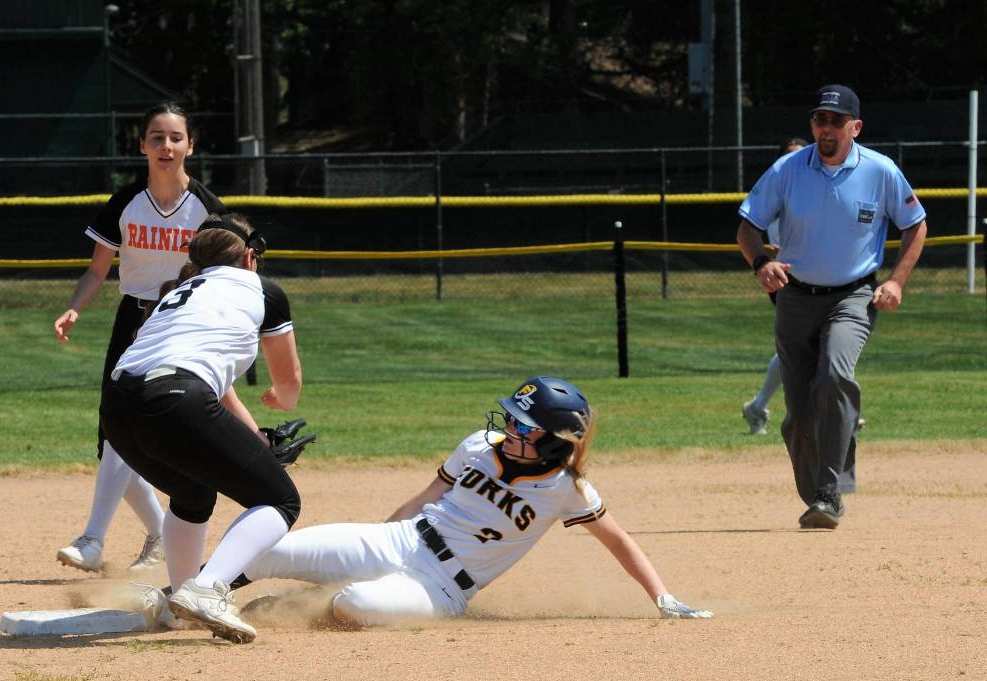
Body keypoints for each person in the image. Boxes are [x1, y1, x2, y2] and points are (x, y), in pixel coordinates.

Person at [221, 376, 712, 627]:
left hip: (441, 588)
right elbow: (424, 499)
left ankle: (296, 605)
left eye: (522, 424)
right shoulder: (479, 445)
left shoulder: (567, 489)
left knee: (356, 604)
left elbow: (618, 541)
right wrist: (370, 541)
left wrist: (662, 597)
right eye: (511, 417)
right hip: (401, 540)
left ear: (551, 441)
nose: (509, 426)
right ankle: (193, 594)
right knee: (266, 551)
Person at [102, 214, 303, 644]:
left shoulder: (180, 292)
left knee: (192, 492)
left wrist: (253, 438)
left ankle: (180, 605)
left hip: (117, 407)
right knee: (281, 501)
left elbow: (207, 382)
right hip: (176, 399)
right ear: (250, 257)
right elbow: (288, 386)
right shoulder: (261, 289)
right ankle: (207, 588)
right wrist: (279, 400)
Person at [736, 84, 927, 530]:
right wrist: (761, 262)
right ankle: (821, 491)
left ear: (855, 127)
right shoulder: (787, 170)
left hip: (854, 295)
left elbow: (916, 224)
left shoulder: (880, 171)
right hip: (795, 297)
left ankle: (829, 492)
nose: (826, 127)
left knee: (835, 376)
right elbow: (747, 226)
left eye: (836, 121)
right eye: (819, 119)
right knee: (800, 414)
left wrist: (896, 281)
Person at [54, 103, 231, 574]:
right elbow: (97, 271)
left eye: (175, 137)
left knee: (136, 432)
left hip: (182, 323)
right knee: (114, 436)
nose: (165, 146)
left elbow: (227, 274)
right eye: (156, 137)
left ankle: (94, 537)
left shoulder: (208, 209)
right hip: (132, 320)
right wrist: (74, 307)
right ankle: (156, 535)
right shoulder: (126, 202)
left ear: (190, 146)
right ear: (142, 146)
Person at [741, 137, 808, 435]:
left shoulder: (816, 189)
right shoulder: (777, 190)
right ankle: (832, 409)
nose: (794, 161)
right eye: (788, 156)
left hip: (822, 279)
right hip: (788, 279)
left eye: (800, 155)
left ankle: (758, 406)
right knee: (806, 344)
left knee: (804, 346)